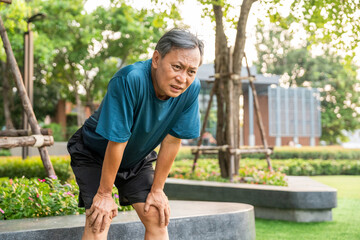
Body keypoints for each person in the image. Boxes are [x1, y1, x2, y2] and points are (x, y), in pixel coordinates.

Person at [67, 28, 204, 240]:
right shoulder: (130, 79)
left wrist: (157, 190)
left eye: (191, 71)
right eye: (177, 67)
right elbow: (117, 141)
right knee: (99, 220)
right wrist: (104, 194)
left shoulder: (191, 89)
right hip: (94, 152)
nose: (182, 78)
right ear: (156, 59)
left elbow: (172, 140)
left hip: (136, 156)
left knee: (157, 215)